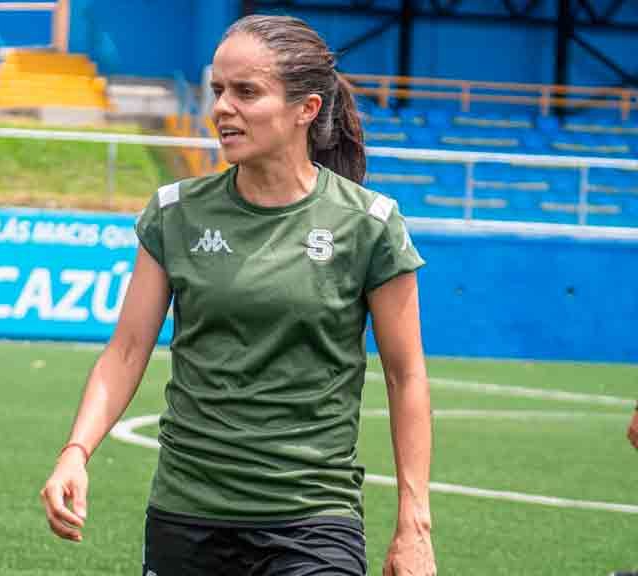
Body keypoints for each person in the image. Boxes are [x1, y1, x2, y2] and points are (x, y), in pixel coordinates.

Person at [40, 14, 435, 576]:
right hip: (187, 514)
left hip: (313, 518)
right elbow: (126, 352)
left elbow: (406, 376)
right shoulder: (174, 213)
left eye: (247, 92)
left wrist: (413, 524)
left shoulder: (368, 224)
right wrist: (75, 452)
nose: (223, 107)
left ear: (307, 109)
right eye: (219, 90)